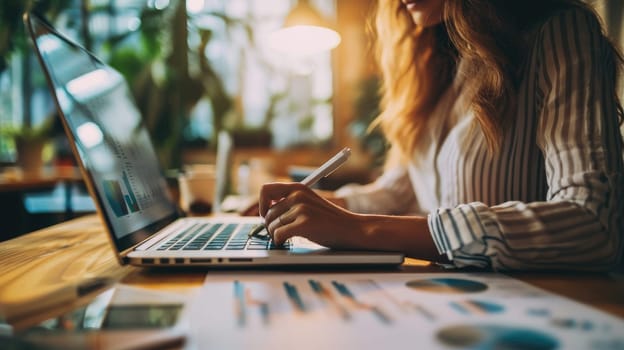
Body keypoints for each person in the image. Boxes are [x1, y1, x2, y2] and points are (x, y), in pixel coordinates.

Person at [256, 0, 624, 270]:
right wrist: (309, 206)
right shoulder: (442, 61)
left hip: (540, 310)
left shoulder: (560, 34)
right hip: (447, 298)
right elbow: (403, 190)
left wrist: (362, 229)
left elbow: (593, 223)